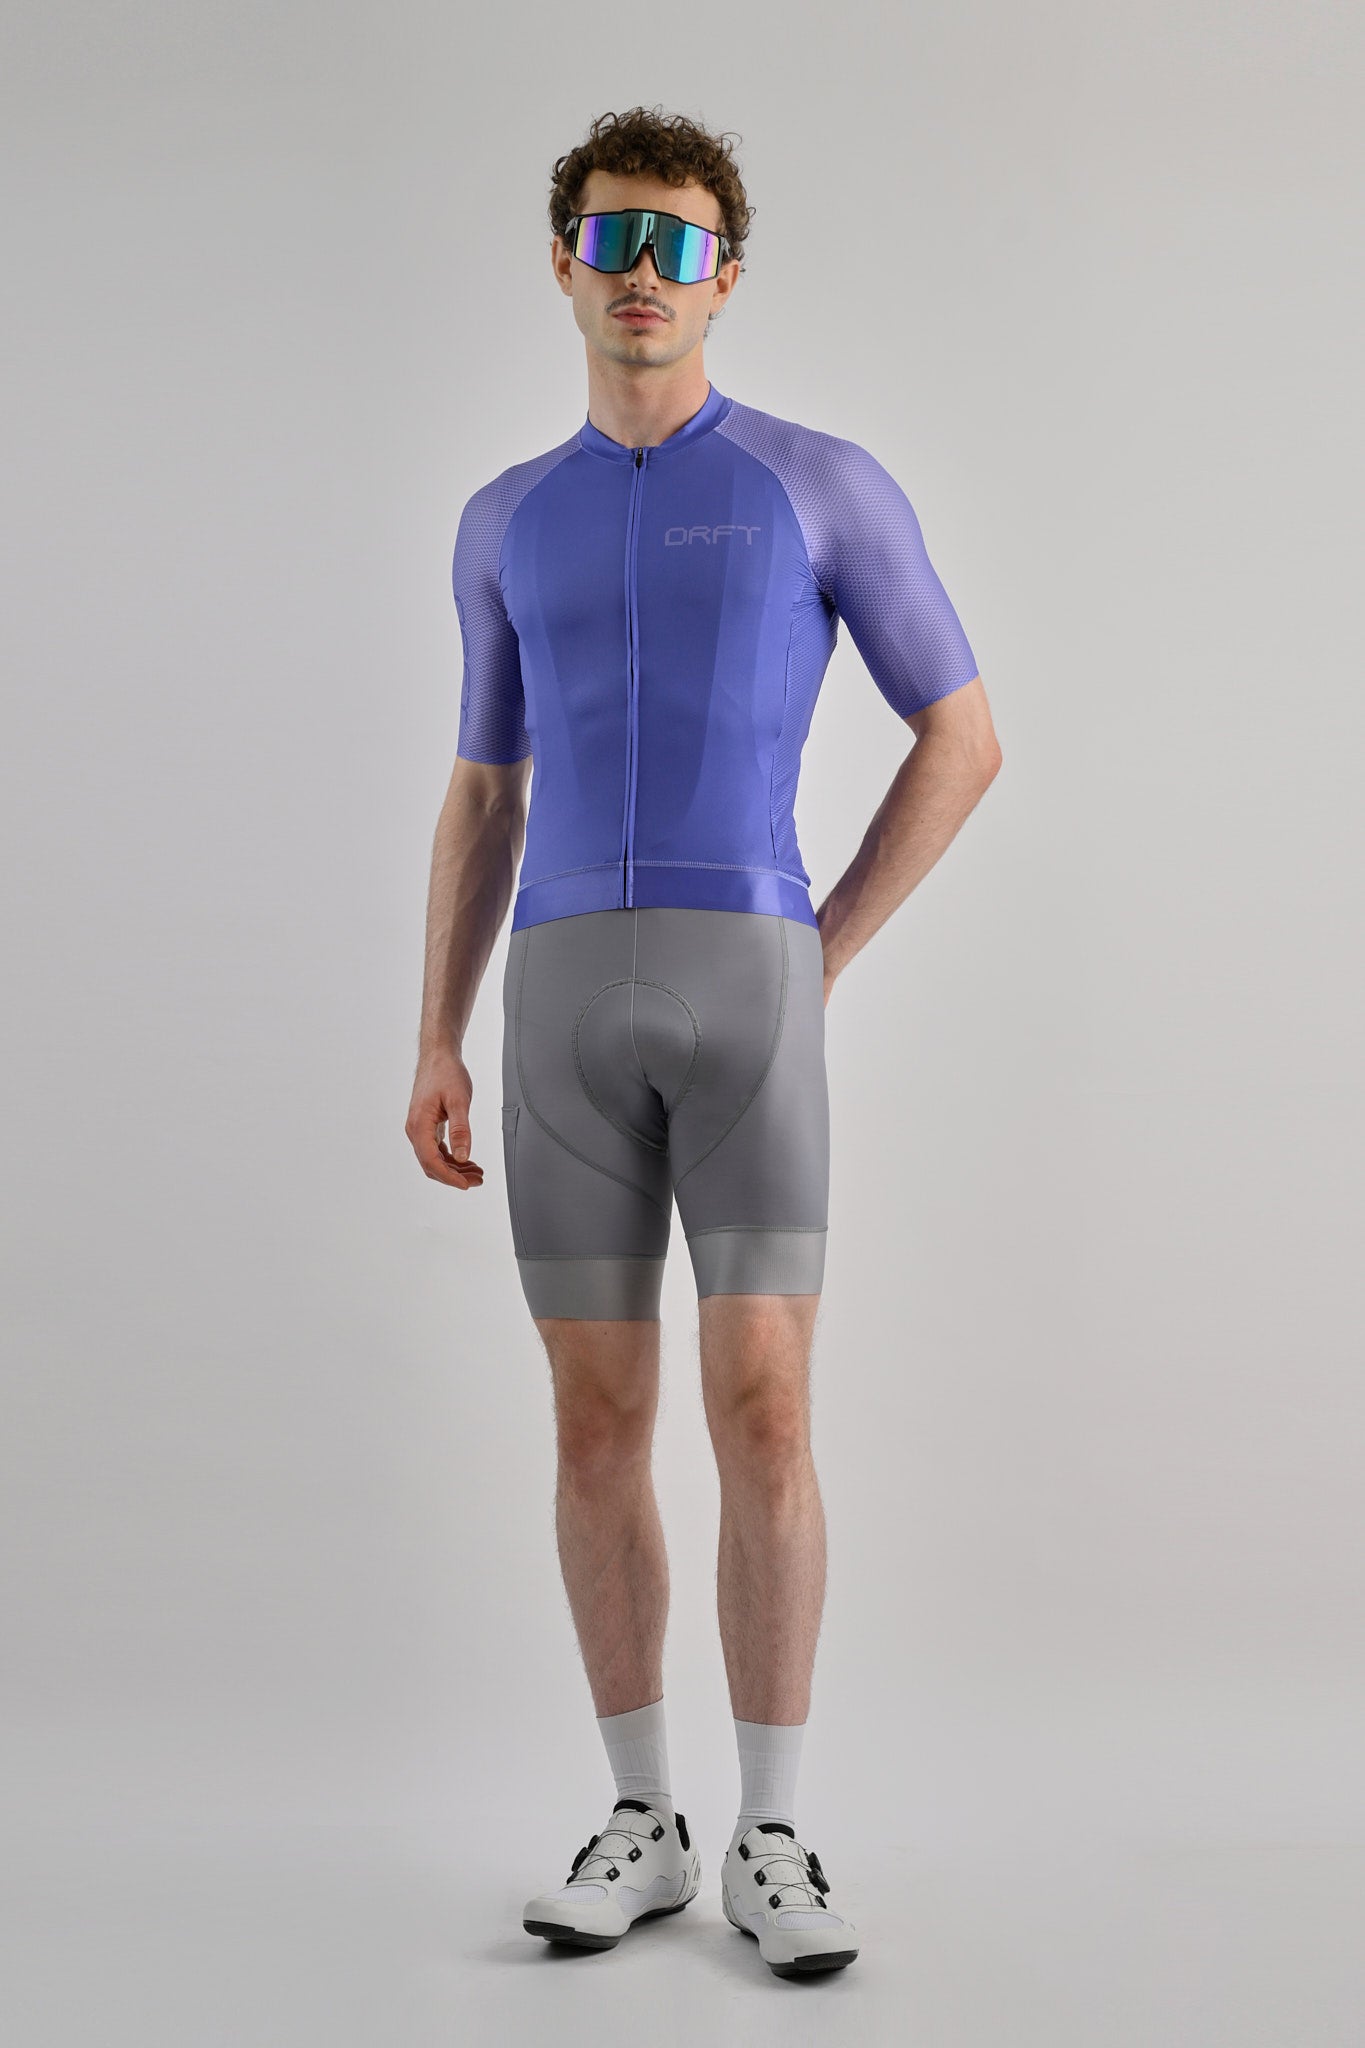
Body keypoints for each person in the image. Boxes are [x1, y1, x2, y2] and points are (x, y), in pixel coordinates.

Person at [406, 104, 1002, 1980]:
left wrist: (818, 952)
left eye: (678, 244)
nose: (643, 274)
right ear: (563, 262)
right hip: (557, 1001)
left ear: (726, 275)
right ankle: (642, 1818)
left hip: (752, 992)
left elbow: (964, 734)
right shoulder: (504, 516)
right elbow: (484, 792)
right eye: (613, 237)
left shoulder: (820, 484)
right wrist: (432, 1035)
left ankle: (773, 1832)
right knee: (595, 1423)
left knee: (764, 1409)